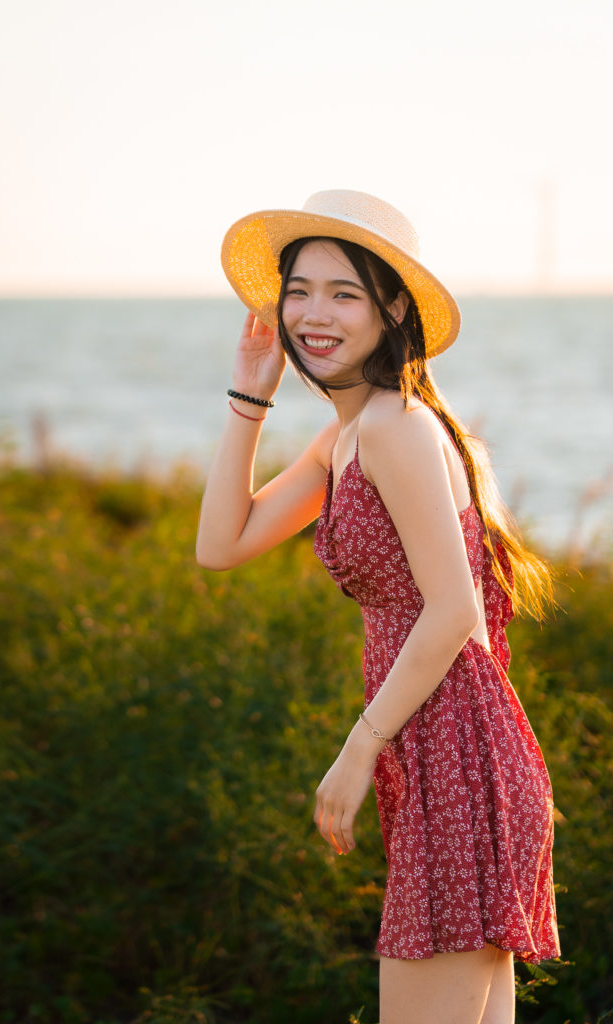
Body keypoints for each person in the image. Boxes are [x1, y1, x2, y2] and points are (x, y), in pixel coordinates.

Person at [196, 190, 560, 1024]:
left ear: (392, 308)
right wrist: (248, 398)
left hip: (458, 759)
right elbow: (221, 544)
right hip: (440, 756)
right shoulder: (348, 436)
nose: (312, 314)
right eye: (297, 291)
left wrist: (358, 748)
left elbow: (453, 611)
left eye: (343, 293)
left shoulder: (395, 426)